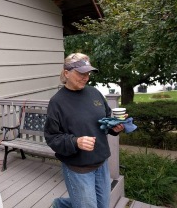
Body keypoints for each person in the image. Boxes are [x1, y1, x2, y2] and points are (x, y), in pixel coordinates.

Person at [44, 53, 125, 208]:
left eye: (87, 73)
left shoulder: (94, 93)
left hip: (101, 163)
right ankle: (60, 204)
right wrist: (76, 142)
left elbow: (106, 118)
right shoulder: (57, 102)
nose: (86, 77)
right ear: (66, 73)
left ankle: (60, 204)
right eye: (81, 73)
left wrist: (114, 127)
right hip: (77, 167)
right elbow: (52, 137)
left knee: (102, 205)